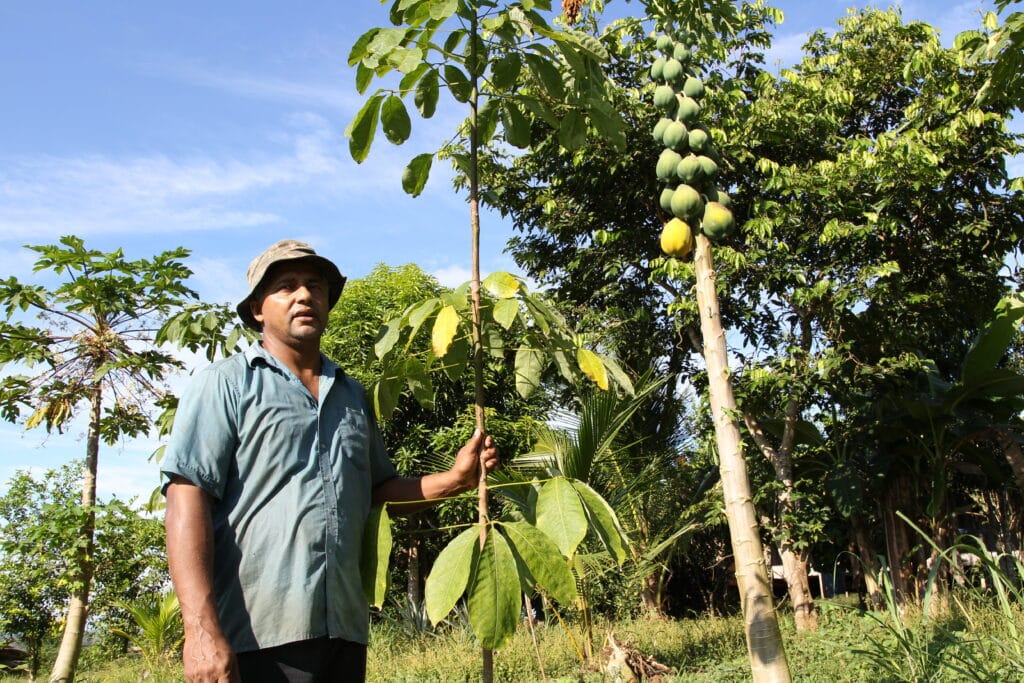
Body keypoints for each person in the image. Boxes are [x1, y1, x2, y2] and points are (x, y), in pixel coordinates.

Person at [162, 240, 498, 683]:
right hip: (256, 635)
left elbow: (377, 493)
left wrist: (455, 479)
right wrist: (201, 631)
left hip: (344, 631)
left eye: (314, 286)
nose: (304, 296)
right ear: (258, 309)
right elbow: (187, 497)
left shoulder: (353, 396)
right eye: (285, 286)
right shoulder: (225, 385)